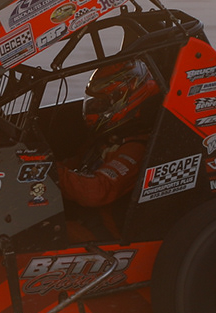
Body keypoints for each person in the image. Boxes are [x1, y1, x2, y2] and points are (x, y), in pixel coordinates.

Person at [58, 58, 161, 208]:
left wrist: (51, 171)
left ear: (123, 100)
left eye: (101, 102)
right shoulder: (108, 138)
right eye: (93, 101)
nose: (94, 107)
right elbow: (76, 163)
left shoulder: (135, 149)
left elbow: (95, 192)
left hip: (103, 225)